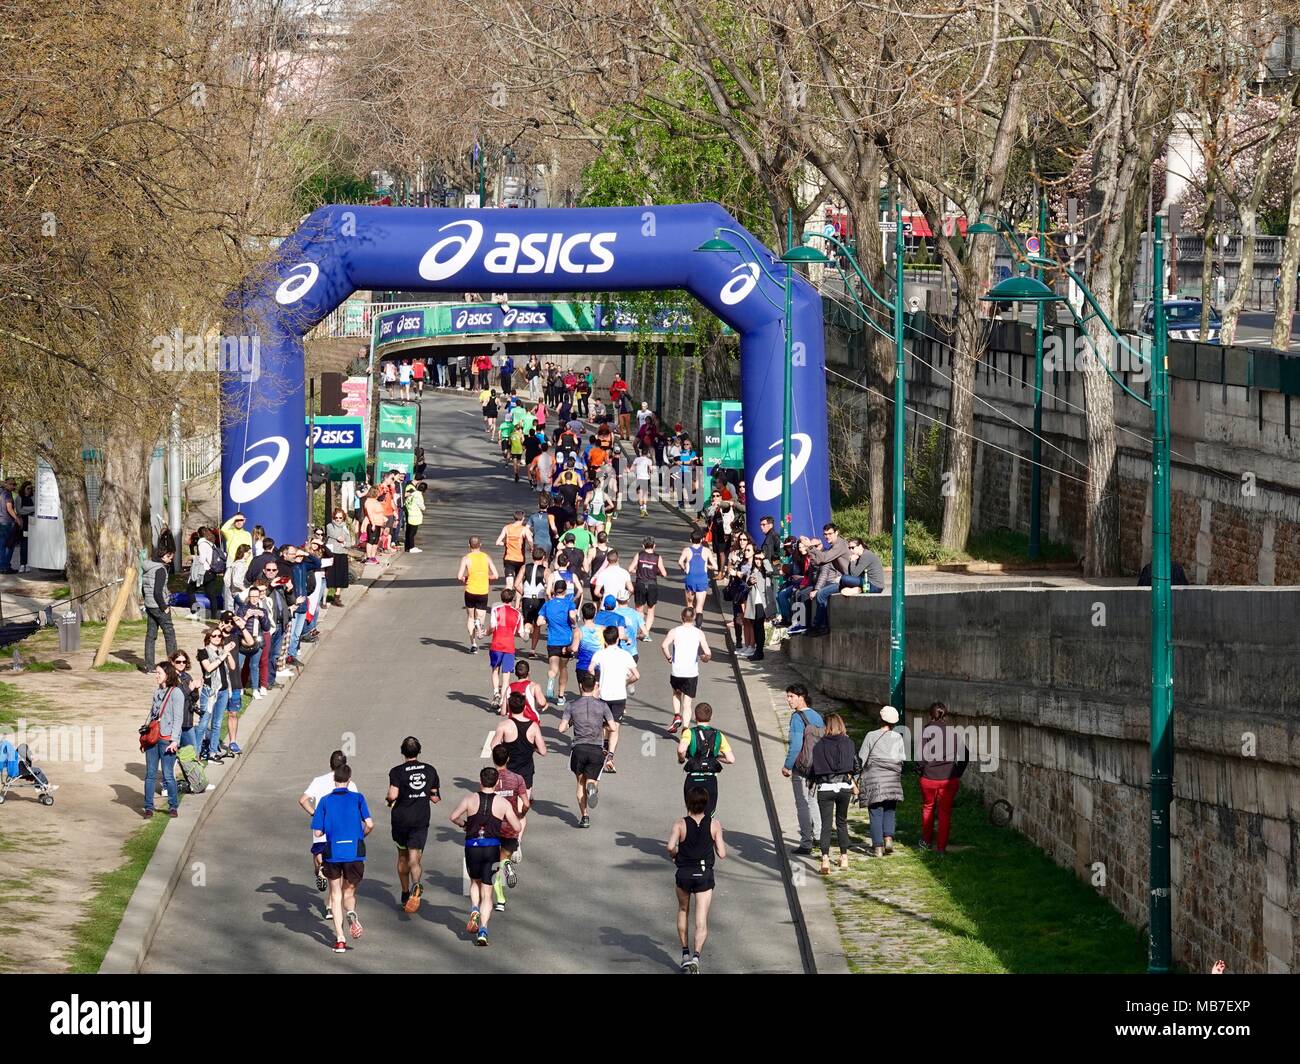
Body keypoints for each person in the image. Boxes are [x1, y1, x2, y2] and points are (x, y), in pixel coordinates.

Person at [448, 766, 521, 946]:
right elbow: (517, 827)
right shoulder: (502, 803)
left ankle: (474, 909)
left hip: (472, 846)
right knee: (488, 893)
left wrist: (464, 825)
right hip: (492, 848)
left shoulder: (470, 799)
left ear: (480, 781)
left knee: (474, 881)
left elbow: (453, 817)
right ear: (496, 783)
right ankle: (483, 930)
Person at [311, 763, 374, 953]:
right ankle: (352, 913)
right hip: (354, 852)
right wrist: (360, 836)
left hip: (333, 852)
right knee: (349, 893)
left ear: (334, 780)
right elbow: (370, 824)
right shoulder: (358, 798)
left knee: (336, 895)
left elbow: (318, 830)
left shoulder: (325, 801)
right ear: (349, 780)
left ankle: (339, 939)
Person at [666, 786, 726, 974]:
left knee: (683, 910)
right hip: (704, 876)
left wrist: (675, 855)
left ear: (688, 803)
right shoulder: (714, 824)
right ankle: (696, 958)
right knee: (701, 919)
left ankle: (684, 953)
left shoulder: (680, 824)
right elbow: (722, 853)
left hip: (684, 873)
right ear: (706, 804)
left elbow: (670, 846)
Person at [299, 750, 357, 917]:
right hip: (341, 834)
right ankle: (331, 905)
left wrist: (314, 813)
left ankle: (320, 870)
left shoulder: (319, 781)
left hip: (321, 831)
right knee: (337, 872)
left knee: (322, 860)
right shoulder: (349, 784)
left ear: (330, 764)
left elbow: (303, 800)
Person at [386, 736, 441, 913]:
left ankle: (404, 894)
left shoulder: (396, 771)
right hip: (420, 819)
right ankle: (416, 885)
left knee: (402, 856)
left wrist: (389, 800)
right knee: (414, 858)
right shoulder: (430, 770)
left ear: (402, 752)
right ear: (419, 751)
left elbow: (393, 795)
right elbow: (435, 797)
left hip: (401, 820)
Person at [558, 673, 616, 828]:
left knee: (579, 783)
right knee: (591, 780)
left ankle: (584, 816)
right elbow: (613, 727)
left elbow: (561, 728)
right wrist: (601, 724)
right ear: (594, 687)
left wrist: (572, 722)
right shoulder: (603, 706)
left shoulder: (572, 705)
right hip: (596, 748)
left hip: (579, 748)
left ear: (580, 686)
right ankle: (593, 787)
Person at [810, 712, 858, 875]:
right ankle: (844, 857)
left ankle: (825, 859)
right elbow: (856, 765)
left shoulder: (819, 746)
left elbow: (813, 769)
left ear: (826, 727)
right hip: (844, 787)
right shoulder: (849, 743)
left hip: (825, 787)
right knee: (842, 822)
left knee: (825, 824)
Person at [919, 701, 968, 854]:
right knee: (944, 813)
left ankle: (926, 842)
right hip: (948, 778)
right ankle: (941, 848)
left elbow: (921, 757)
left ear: (930, 715)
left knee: (928, 809)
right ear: (945, 715)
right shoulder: (953, 733)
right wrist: (957, 771)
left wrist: (920, 770)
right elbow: (965, 755)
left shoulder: (927, 731)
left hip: (929, 777)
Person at [781, 683, 824, 855]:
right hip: (817, 766)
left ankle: (806, 842)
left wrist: (787, 765)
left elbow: (796, 744)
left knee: (802, 804)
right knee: (813, 801)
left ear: (801, 697)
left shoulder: (797, 718)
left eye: (791, 696)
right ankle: (820, 837)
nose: (788, 700)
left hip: (801, 767)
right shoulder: (817, 716)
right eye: (787, 696)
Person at [859, 705, 906, 859]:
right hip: (892, 779)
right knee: (890, 809)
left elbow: (861, 758)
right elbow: (901, 759)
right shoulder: (898, 737)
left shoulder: (871, 736)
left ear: (880, 719)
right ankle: (888, 838)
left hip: (874, 780)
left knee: (875, 812)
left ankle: (878, 847)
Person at [590, 627, 638, 773]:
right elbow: (636, 675)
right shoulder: (625, 655)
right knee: (615, 727)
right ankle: (610, 757)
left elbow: (590, 669)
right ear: (617, 639)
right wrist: (626, 683)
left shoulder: (600, 654)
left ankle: (603, 748)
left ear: (605, 639)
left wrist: (596, 683)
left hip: (604, 695)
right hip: (619, 696)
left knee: (604, 724)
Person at [489, 742, 530, 911]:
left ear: (493, 759)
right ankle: (506, 865)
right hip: (510, 827)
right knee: (502, 860)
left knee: (493, 863)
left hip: (493, 826)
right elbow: (526, 803)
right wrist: (521, 815)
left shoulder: (488, 779)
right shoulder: (517, 779)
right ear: (508, 759)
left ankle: (500, 900)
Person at [142, 661, 184, 818]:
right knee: (150, 774)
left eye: (159, 673)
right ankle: (148, 807)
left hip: (167, 740)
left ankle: (173, 806)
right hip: (153, 739)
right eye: (156, 673)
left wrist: (175, 740)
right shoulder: (156, 692)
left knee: (168, 775)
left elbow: (178, 719)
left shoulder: (176, 693)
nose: (156, 676)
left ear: (168, 674)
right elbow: (153, 715)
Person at [677, 702, 735, 815]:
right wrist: (716, 757)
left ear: (695, 716)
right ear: (711, 717)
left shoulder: (689, 732)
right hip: (710, 780)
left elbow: (681, 749)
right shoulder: (718, 735)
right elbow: (731, 759)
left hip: (692, 778)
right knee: (708, 816)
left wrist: (681, 759)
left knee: (692, 814)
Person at [661, 607, 711, 733]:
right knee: (688, 703)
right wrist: (705, 658)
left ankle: (677, 715)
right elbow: (707, 653)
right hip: (691, 672)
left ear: (681, 617)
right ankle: (685, 728)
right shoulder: (698, 633)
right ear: (694, 618)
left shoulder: (674, 631)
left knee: (676, 693)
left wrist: (669, 657)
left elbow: (664, 645)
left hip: (677, 670)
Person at [491, 692, 547, 798]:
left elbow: (494, 745)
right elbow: (543, 751)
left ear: (510, 708)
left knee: (507, 804)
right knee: (522, 808)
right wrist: (533, 747)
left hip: (509, 770)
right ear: (525, 707)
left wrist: (503, 751)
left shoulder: (504, 725)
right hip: (526, 771)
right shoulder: (533, 726)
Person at [538, 579, 578, 705]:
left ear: (554, 590)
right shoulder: (569, 603)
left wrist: (547, 621)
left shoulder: (548, 605)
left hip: (553, 641)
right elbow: (572, 616)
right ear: (565, 591)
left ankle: (551, 678)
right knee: (563, 667)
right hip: (566, 641)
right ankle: (561, 697)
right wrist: (574, 622)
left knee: (553, 667)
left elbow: (539, 622)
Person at [457, 535, 498, 652]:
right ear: (480, 545)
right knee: (480, 616)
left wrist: (466, 577)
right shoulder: (486, 557)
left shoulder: (466, 558)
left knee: (470, 617)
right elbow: (496, 575)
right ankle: (479, 623)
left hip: (470, 590)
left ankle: (473, 644)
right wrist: (486, 577)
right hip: (482, 591)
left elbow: (459, 576)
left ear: (469, 545)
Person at [140, 546, 177, 672]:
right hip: (159, 606)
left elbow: (144, 588)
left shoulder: (148, 567)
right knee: (169, 634)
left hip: (150, 605)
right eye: (169, 557)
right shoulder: (160, 569)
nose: (170, 560)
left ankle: (149, 666)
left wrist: (146, 601)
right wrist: (164, 607)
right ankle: (173, 664)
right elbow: (157, 592)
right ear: (163, 556)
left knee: (151, 636)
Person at [487, 587, 522, 702]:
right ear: (512, 599)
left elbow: (492, 626)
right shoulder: (517, 614)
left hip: (496, 644)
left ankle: (496, 692)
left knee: (495, 669)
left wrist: (486, 633)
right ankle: (502, 700)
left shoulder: (496, 610)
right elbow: (520, 632)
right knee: (506, 675)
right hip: (509, 646)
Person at [632, 537, 667, 638]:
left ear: (643, 546)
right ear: (654, 546)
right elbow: (664, 573)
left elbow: (631, 568)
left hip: (640, 584)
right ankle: (646, 632)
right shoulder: (657, 557)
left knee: (639, 609)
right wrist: (656, 572)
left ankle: (641, 630)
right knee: (651, 610)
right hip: (652, 585)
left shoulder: (639, 555)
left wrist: (638, 571)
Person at [678, 530, 715, 617]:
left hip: (690, 579)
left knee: (690, 605)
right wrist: (707, 566)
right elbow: (715, 566)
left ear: (690, 540)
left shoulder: (687, 550)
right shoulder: (706, 551)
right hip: (702, 580)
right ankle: (698, 627)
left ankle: (689, 624)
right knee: (699, 608)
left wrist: (684, 568)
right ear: (702, 540)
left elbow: (680, 562)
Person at [325, 508, 353, 606]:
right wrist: (339, 537)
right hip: (332, 553)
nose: (338, 519)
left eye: (340, 518)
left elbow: (350, 543)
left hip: (342, 553)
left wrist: (344, 542)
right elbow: (333, 534)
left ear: (343, 518)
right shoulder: (330, 526)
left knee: (340, 576)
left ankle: (337, 596)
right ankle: (325, 597)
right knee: (330, 575)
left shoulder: (346, 528)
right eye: (336, 517)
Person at [496, 511, 530, 583]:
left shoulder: (506, 528)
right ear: (523, 518)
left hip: (508, 559)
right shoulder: (524, 529)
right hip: (520, 559)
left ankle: (507, 594)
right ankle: (519, 594)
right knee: (519, 583)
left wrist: (506, 544)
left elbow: (497, 542)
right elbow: (530, 540)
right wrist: (532, 548)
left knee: (509, 584)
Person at [403, 481, 426, 553]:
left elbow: (406, 502)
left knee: (409, 532)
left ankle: (408, 547)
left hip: (410, 514)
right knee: (412, 533)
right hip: (415, 516)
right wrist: (424, 508)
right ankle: (411, 547)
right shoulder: (418, 495)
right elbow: (421, 505)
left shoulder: (411, 494)